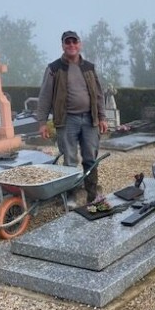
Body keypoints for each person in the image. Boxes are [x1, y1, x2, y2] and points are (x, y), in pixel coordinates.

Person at [37, 30, 108, 205]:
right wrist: (42, 122)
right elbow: (45, 95)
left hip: (90, 120)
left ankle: (92, 196)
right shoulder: (54, 68)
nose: (71, 45)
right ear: (62, 45)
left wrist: (102, 116)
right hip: (67, 120)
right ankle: (72, 196)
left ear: (79, 44)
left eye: (74, 42)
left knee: (90, 158)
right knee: (70, 160)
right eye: (67, 42)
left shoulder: (89, 67)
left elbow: (98, 94)